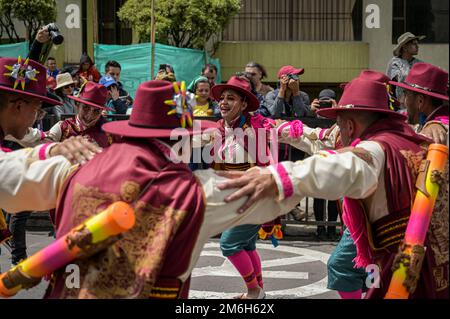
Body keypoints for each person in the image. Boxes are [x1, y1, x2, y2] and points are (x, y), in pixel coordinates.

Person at [33, 80, 302, 299]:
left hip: (76, 286)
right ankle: (256, 292)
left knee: (239, 244)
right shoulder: (187, 191)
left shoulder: (77, 172)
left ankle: (256, 292)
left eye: (232, 98)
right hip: (142, 283)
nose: (223, 103)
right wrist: (282, 183)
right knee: (233, 244)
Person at [218, 76, 447, 299]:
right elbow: (316, 138)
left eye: (338, 120)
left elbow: (345, 164)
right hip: (421, 255)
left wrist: (278, 179)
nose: (335, 129)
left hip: (401, 256)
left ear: (349, 125)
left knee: (342, 267)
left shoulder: (377, 149)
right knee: (367, 274)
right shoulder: (408, 138)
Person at [1, 57, 102, 214]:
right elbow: (14, 178)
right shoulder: (64, 126)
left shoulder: (108, 133)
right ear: (19, 107)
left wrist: (52, 150)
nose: (38, 117)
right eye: (38, 109)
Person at [7, 82, 113, 149]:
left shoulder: (109, 134)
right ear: (77, 105)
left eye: (96, 111)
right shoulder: (63, 127)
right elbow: (41, 142)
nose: (90, 115)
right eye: (85, 108)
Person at [391, 62, 449, 145]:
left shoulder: (433, 133)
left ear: (420, 101)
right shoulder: (428, 117)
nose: (402, 100)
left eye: (405, 94)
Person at [386, 32, 425, 106]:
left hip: (417, 104)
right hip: (398, 104)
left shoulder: (419, 63)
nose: (417, 46)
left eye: (417, 43)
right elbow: (400, 78)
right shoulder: (395, 62)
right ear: (404, 47)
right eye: (414, 44)